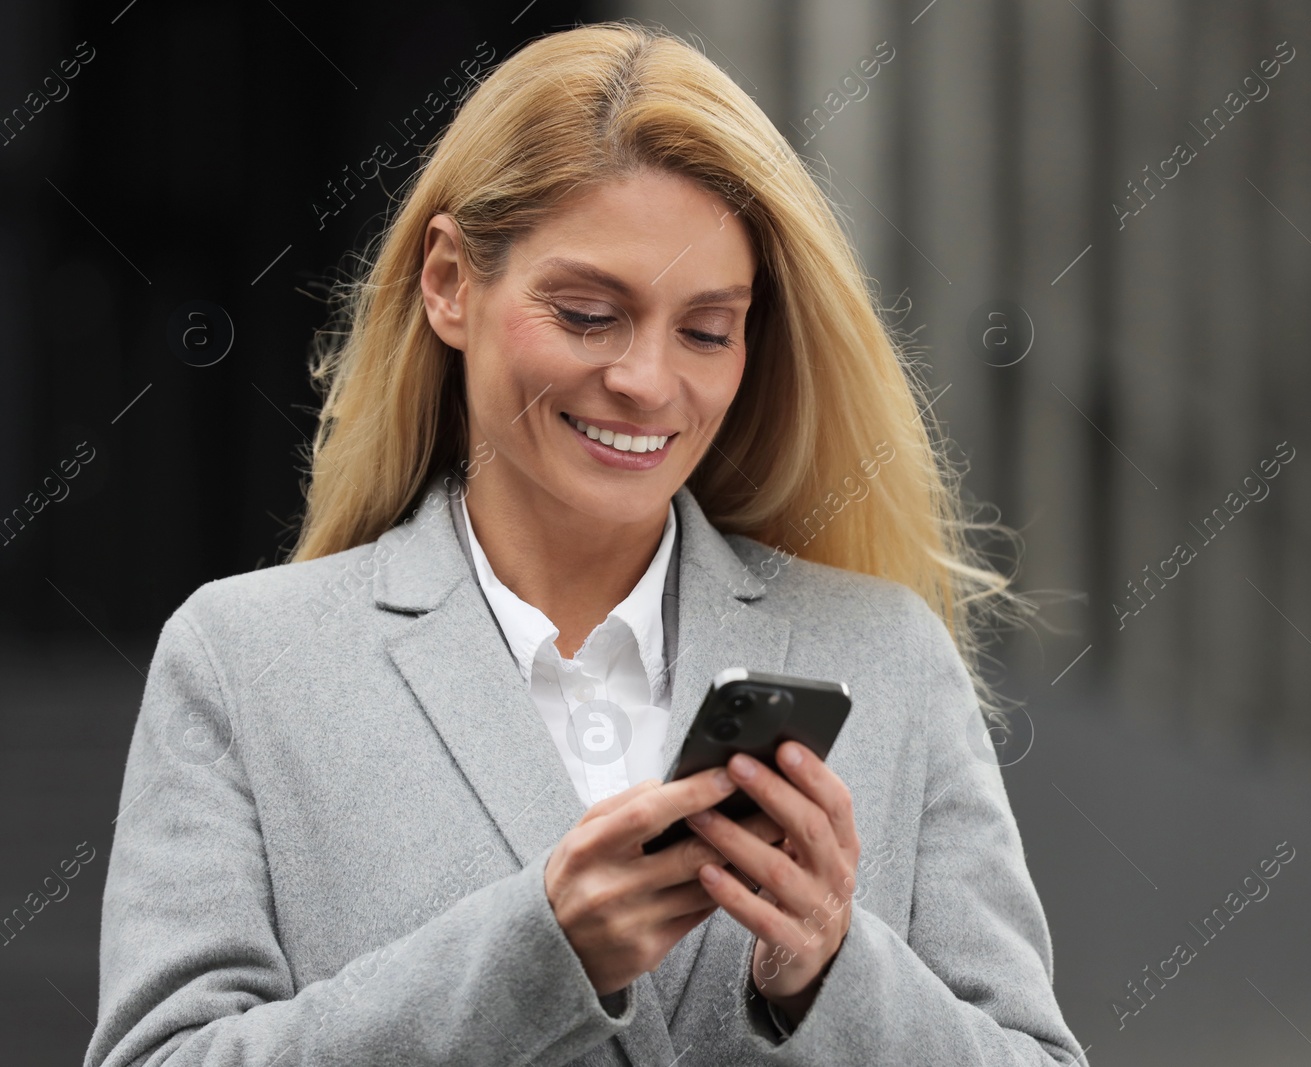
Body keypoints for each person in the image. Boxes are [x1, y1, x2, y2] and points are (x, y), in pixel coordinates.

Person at [87, 21, 1087, 1067]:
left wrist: (832, 969)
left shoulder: (886, 654)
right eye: (587, 313)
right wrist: (534, 952)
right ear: (448, 282)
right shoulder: (247, 662)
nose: (649, 382)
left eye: (707, 330)